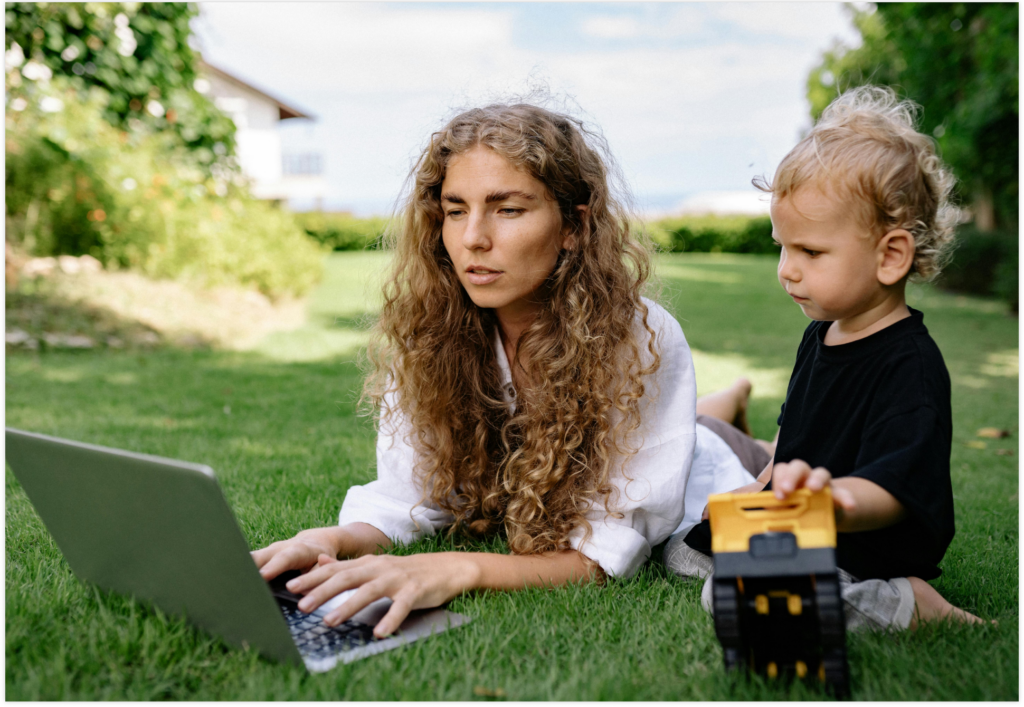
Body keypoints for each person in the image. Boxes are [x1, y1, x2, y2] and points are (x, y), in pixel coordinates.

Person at [252, 102, 753, 638]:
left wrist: (458, 567)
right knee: (701, 420)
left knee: (712, 439)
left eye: (508, 210)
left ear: (573, 226)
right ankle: (726, 401)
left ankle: (732, 407)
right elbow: (407, 495)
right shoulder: (432, 332)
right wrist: (331, 539)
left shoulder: (639, 339)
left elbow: (604, 553)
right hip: (664, 428)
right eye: (455, 210)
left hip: (698, 464)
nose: (473, 239)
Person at [665, 86, 990, 631]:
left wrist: (829, 502)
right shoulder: (821, 334)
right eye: (782, 246)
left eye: (810, 252)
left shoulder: (909, 364)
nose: (787, 270)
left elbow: (893, 489)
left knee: (733, 592)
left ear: (890, 256)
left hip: (861, 541)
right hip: (799, 524)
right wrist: (761, 487)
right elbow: (800, 434)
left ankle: (911, 601)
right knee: (681, 551)